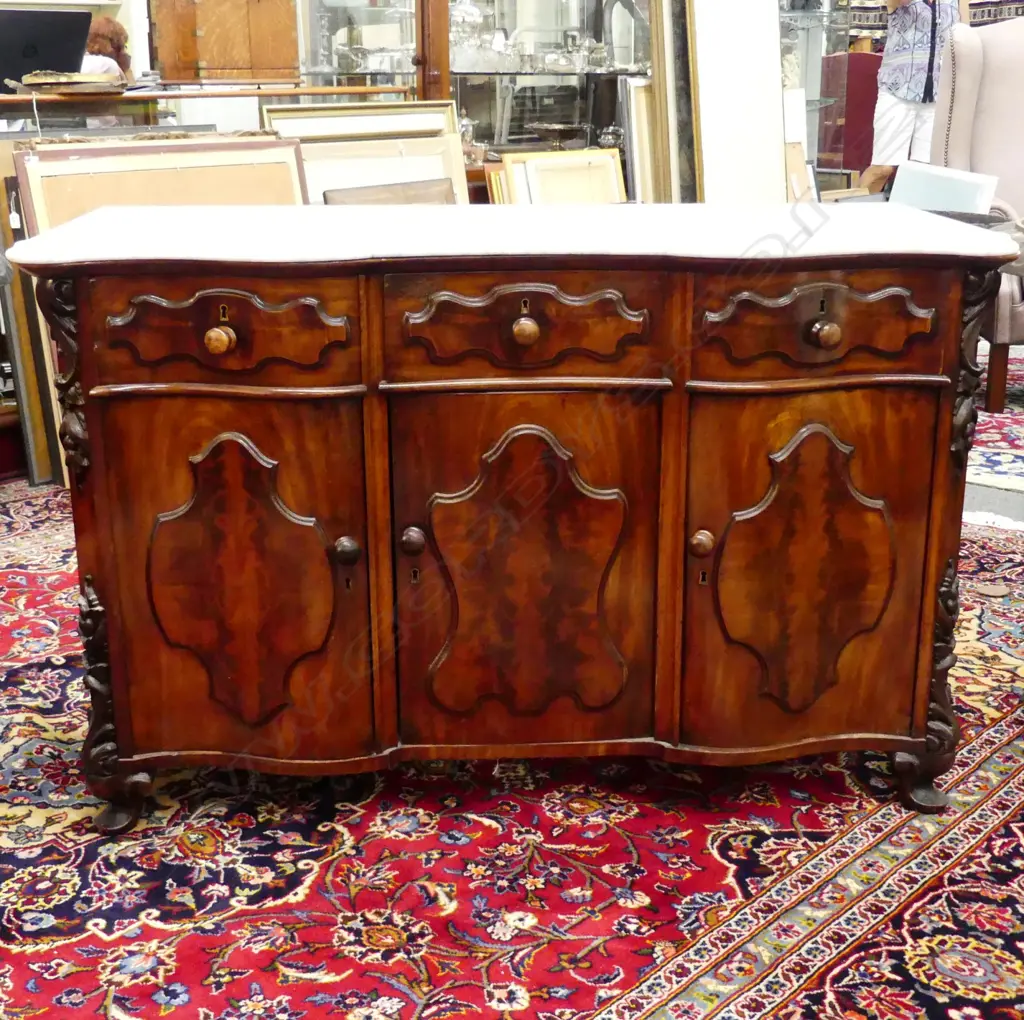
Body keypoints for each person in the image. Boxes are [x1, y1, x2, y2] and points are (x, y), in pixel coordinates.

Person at [861, 0, 970, 192]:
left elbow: (966, 37)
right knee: (883, 168)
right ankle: (853, 215)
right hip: (897, 89)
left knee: (923, 171)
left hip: (936, 95)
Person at [81, 15, 134, 84]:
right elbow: (132, 91)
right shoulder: (108, 64)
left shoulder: (80, 62)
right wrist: (126, 68)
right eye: (122, 46)